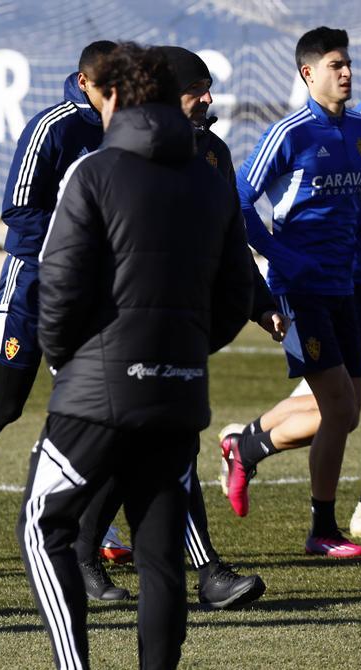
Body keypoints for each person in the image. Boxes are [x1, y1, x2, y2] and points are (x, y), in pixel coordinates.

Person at [16, 43, 255, 670]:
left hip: (97, 391)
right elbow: (239, 293)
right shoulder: (211, 177)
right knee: (160, 556)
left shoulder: (93, 172)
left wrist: (73, 362)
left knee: (42, 528)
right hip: (178, 395)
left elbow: (58, 287)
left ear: (119, 97)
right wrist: (183, 350)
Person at [74, 46, 273, 610]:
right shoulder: (121, 153)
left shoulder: (213, 153)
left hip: (185, 328)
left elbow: (233, 242)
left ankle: (82, 556)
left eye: (210, 88)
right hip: (122, 328)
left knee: (148, 446)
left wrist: (258, 305)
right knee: (156, 445)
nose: (208, 99)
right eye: (197, 88)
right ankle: (202, 572)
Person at [0, 41, 135, 570]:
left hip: (92, 293)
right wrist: (74, 247)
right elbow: (18, 209)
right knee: (8, 403)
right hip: (33, 285)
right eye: (108, 84)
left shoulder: (127, 130)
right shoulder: (54, 126)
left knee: (94, 404)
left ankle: (89, 514)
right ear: (85, 82)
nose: (118, 94)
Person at [220, 33, 361, 540]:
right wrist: (278, 253)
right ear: (308, 74)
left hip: (353, 285)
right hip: (302, 286)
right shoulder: (290, 132)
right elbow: (239, 199)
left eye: (349, 64)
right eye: (336, 65)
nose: (347, 73)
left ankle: (257, 454)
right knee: (338, 406)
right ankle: (320, 524)